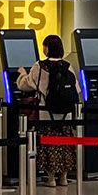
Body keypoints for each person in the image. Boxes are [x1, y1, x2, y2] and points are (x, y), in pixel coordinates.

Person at [16, 34, 80, 187]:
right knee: (65, 143)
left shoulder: (40, 66)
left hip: (47, 112)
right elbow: (76, 89)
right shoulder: (67, 66)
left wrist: (22, 74)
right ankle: (63, 177)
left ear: (47, 48)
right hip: (65, 113)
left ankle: (51, 179)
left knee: (48, 144)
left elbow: (26, 85)